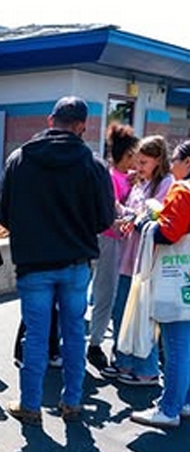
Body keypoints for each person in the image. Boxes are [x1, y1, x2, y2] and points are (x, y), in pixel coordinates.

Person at [0, 96, 114, 425]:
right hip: (76, 261)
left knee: (35, 334)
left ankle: (30, 405)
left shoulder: (19, 159)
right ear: (82, 126)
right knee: (74, 332)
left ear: (51, 120)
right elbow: (105, 218)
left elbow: (3, 212)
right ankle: (72, 402)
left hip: (34, 263)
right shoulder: (93, 165)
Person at [103, 135, 173, 386]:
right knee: (122, 311)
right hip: (129, 258)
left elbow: (156, 218)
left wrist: (132, 218)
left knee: (143, 318)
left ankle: (147, 369)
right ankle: (124, 362)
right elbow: (135, 213)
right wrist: (123, 216)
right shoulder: (141, 183)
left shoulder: (166, 183)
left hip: (147, 264)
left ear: (158, 160)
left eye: (143, 162)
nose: (138, 167)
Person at [130, 140, 190, 427]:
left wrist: (146, 221)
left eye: (176, 160)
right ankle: (183, 400)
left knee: (177, 346)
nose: (173, 165)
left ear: (187, 163)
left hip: (177, 282)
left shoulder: (183, 190)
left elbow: (168, 234)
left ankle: (168, 409)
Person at [87, 123, 139, 370]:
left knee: (115, 294)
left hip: (123, 242)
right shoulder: (110, 178)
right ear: (122, 155)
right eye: (132, 156)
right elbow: (115, 207)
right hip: (110, 239)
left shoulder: (127, 177)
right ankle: (95, 344)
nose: (135, 161)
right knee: (106, 293)